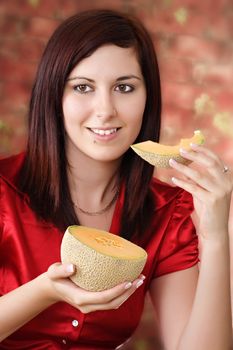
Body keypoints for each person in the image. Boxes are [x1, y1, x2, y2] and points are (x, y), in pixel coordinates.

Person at [0, 8, 232, 350]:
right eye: (82, 87)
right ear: (54, 97)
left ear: (147, 98)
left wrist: (215, 237)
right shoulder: (4, 189)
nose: (105, 109)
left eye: (124, 87)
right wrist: (44, 291)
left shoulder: (169, 212)